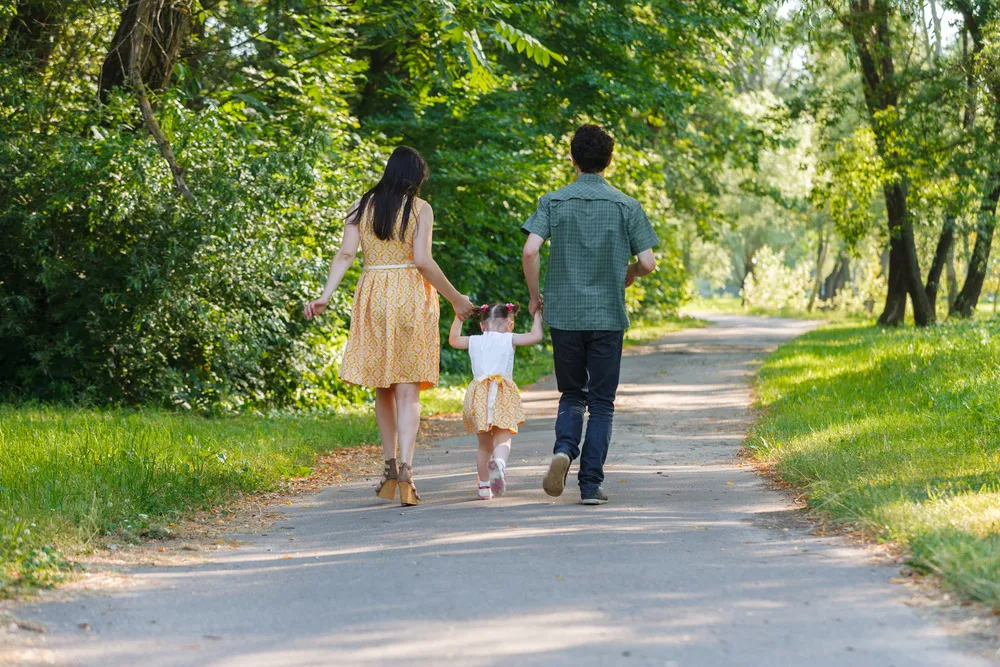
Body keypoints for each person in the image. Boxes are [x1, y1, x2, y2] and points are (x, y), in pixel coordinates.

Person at [304, 146, 476, 506]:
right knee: (407, 389)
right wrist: (456, 298)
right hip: (411, 295)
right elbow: (423, 261)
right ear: (414, 177)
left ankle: (389, 467)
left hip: (373, 295)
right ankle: (409, 472)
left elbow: (346, 255)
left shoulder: (361, 206)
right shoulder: (420, 209)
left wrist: (325, 294)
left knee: (383, 384)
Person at [521, 124, 658, 505]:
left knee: (571, 394)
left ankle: (565, 448)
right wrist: (628, 273)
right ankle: (591, 485)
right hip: (607, 316)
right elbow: (648, 262)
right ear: (609, 162)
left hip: (564, 314)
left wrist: (535, 297)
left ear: (573, 159)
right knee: (601, 401)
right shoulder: (626, 205)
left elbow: (530, 251)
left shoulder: (554, 201)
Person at [449, 302, 543, 500]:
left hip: (479, 396)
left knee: (484, 446)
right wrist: (537, 314)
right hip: (501, 394)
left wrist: (459, 317)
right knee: (503, 438)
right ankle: (499, 464)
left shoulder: (474, 340)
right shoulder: (509, 339)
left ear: (482, 326)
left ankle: (484, 486)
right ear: (510, 324)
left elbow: (454, 340)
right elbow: (536, 336)